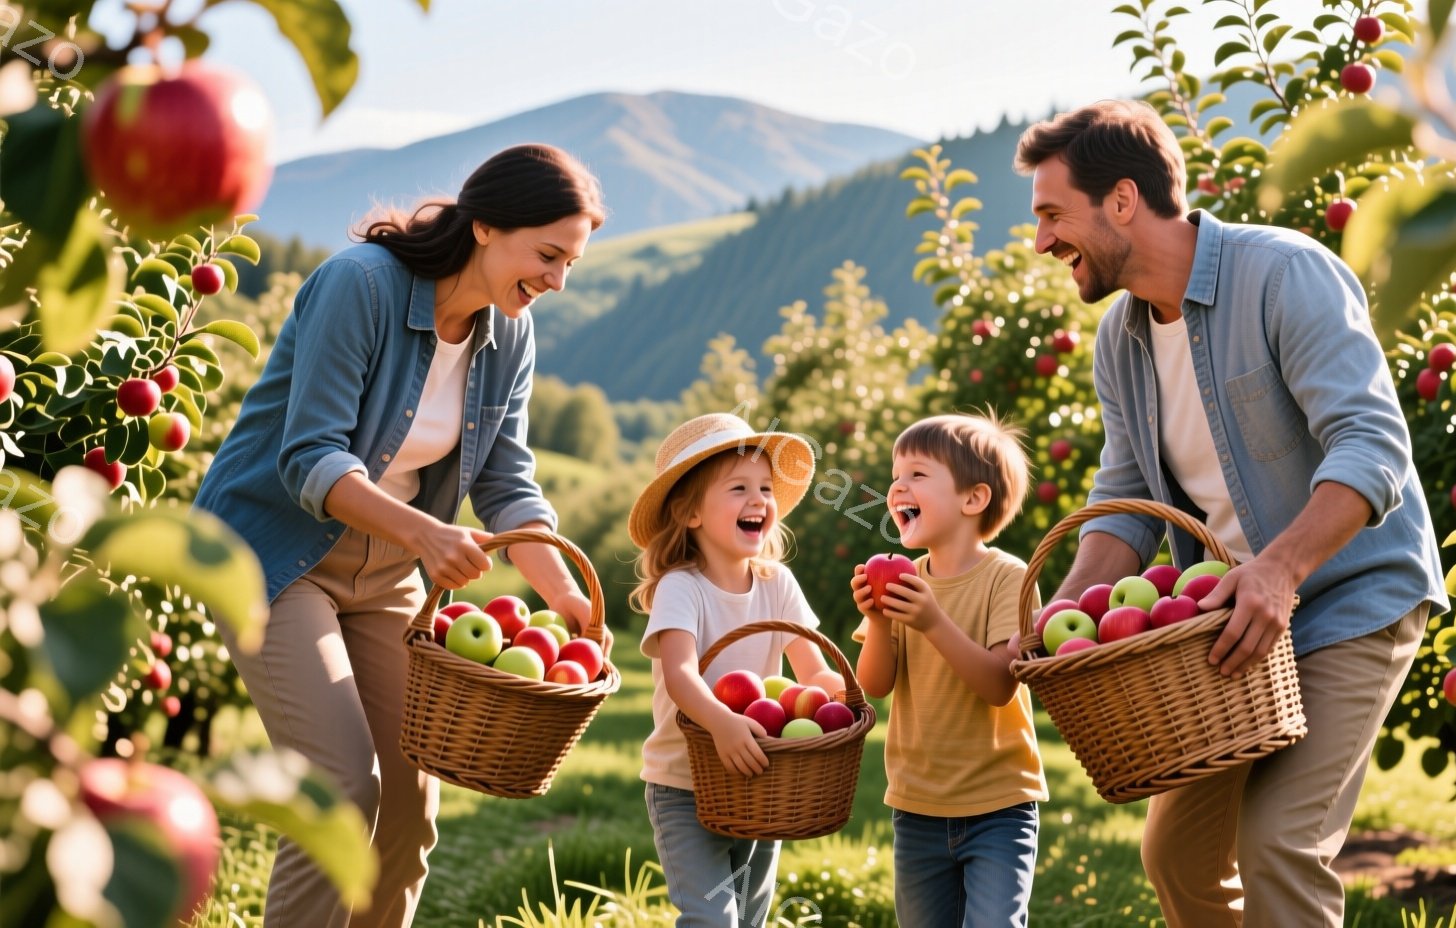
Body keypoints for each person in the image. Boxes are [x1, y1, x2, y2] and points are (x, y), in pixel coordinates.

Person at [1012, 100, 1448, 927]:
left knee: (1279, 844)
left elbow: (1371, 443)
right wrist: (1056, 615)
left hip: (1347, 596)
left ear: (1122, 200)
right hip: (1225, 620)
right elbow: (1125, 501)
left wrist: (1279, 571)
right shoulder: (1120, 341)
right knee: (1176, 855)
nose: (1041, 242)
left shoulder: (1285, 274)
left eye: (1053, 215)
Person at [193, 143, 609, 928]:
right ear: (485, 227)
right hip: (277, 554)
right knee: (341, 787)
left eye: (571, 263)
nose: (558, 280)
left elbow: (505, 482)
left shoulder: (510, 335)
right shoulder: (360, 287)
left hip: (388, 572)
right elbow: (310, 457)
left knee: (411, 813)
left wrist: (565, 594)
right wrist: (427, 535)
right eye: (548, 255)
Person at [628, 412, 848, 928]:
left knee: (748, 919)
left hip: (759, 780)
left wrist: (840, 696)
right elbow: (681, 675)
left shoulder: (777, 583)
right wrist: (721, 722)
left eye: (766, 488)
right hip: (685, 786)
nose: (759, 500)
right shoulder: (681, 587)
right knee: (712, 920)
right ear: (690, 513)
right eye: (739, 488)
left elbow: (812, 671)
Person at [850, 412, 1048, 928]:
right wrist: (878, 621)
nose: (897, 487)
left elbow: (999, 685)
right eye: (895, 475)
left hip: (999, 806)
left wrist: (933, 622)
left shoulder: (1008, 578)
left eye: (917, 474)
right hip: (917, 805)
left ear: (973, 498)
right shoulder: (904, 580)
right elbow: (875, 685)